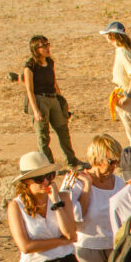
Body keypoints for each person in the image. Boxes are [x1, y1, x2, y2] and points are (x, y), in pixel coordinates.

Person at [66, 134, 125, 262]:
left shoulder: (118, 182)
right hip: (89, 248)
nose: (115, 166)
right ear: (97, 158)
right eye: (111, 161)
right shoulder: (76, 181)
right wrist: (87, 187)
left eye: (117, 161)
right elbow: (75, 217)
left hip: (115, 246)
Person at [22, 35, 82, 167]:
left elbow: (54, 83)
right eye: (43, 46)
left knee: (63, 130)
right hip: (39, 100)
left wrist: (60, 101)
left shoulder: (50, 62)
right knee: (43, 136)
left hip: (52, 98)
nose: (48, 48)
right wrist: (36, 110)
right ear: (36, 49)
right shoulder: (30, 66)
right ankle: (48, 165)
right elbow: (29, 90)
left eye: (47, 44)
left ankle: (71, 160)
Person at [100, 21, 131, 147]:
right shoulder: (124, 50)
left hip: (126, 95)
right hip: (123, 93)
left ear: (112, 36)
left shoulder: (123, 51)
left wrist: (127, 95)